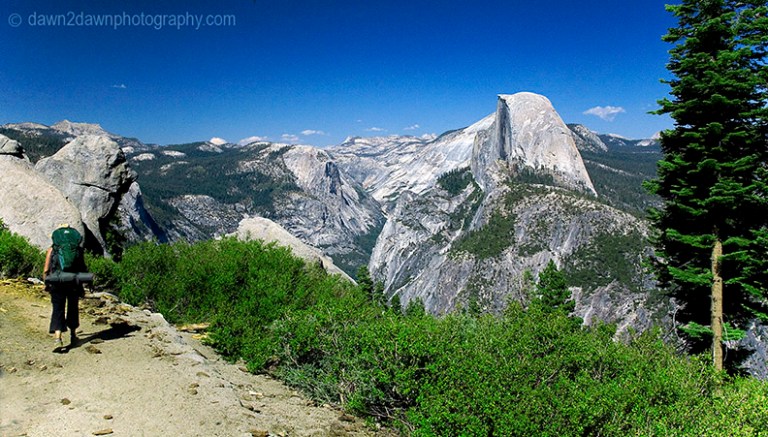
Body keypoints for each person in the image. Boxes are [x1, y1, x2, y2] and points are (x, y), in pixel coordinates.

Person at [43, 225, 86, 352]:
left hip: (57, 282)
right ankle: (73, 336)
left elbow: (46, 269)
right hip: (73, 282)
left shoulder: (52, 250)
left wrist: (46, 283)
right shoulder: (77, 249)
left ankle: (58, 338)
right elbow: (82, 268)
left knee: (58, 308)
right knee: (73, 307)